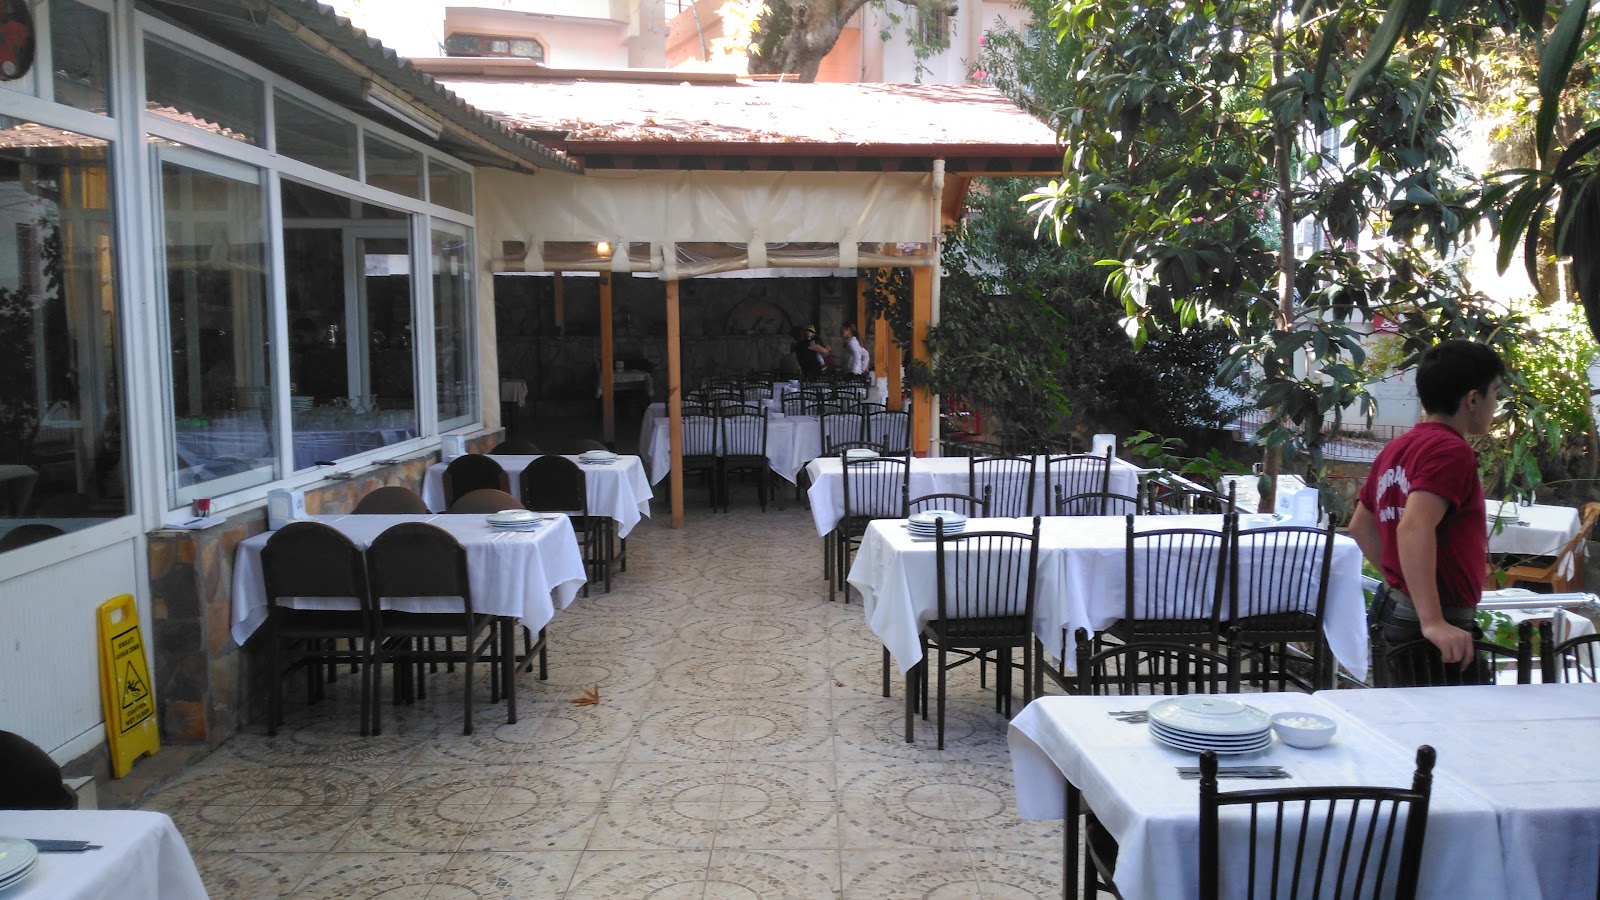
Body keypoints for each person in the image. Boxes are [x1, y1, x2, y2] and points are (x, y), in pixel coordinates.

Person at [1347, 340, 1504, 677]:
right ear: (1473, 399)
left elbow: (1361, 526)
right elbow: (1415, 526)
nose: (1496, 403)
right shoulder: (1451, 451)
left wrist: (1404, 583)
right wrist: (1432, 620)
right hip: (1430, 624)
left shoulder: (1399, 447)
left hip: (1397, 608)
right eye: (1495, 392)